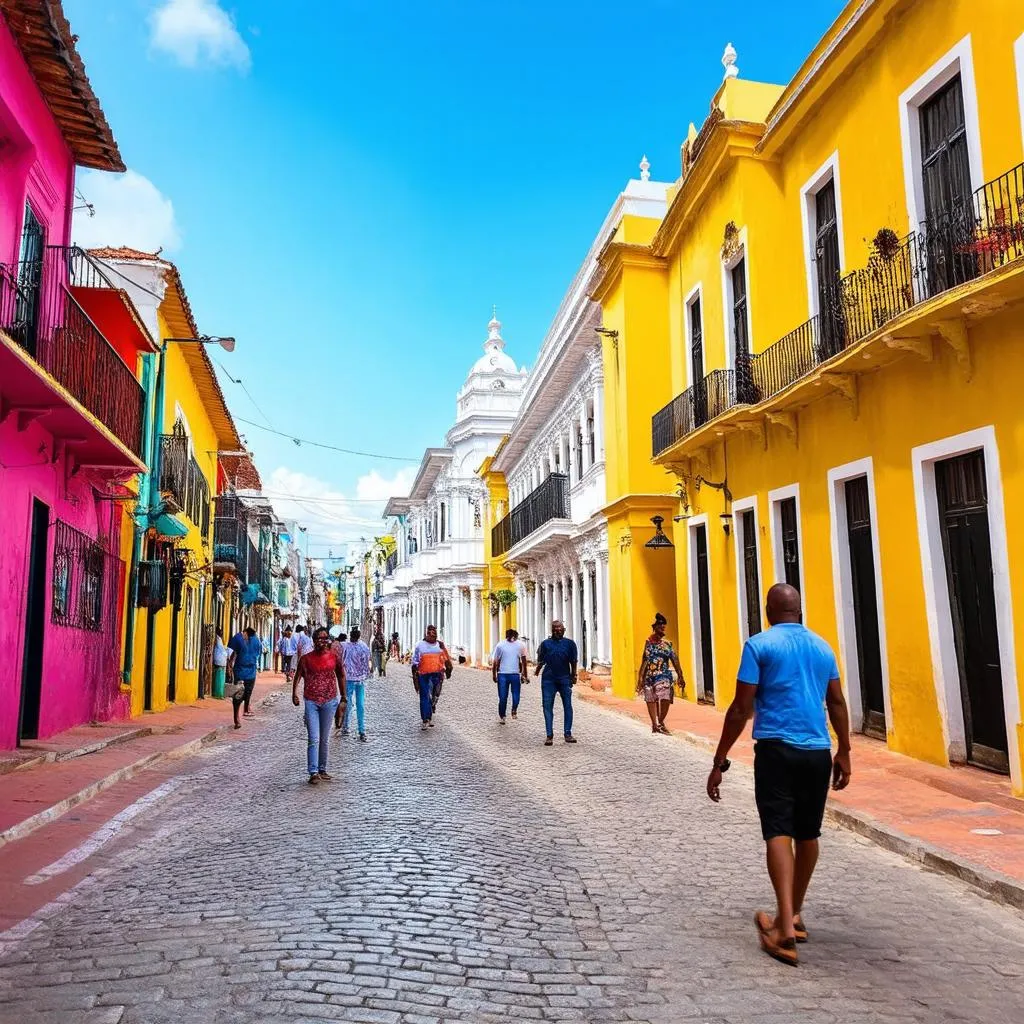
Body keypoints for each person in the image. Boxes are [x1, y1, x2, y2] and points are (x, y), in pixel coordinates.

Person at [706, 583, 852, 967]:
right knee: (808, 833)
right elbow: (836, 702)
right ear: (799, 610)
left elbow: (741, 708)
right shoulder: (822, 647)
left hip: (776, 750)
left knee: (778, 832)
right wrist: (845, 752)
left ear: (768, 610)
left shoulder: (759, 646)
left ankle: (784, 927)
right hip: (817, 751)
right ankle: (794, 915)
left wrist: (719, 760)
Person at [292, 627, 346, 785]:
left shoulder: (334, 658)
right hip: (311, 701)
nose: (323, 641)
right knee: (313, 738)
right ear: (314, 641)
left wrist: (344, 697)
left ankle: (322, 769)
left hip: (330, 701)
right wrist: (294, 693)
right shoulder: (306, 659)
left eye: (325, 638)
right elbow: (298, 676)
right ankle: (313, 771)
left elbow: (341, 675)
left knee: (324, 738)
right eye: (319, 638)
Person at [637, 612, 686, 735]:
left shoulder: (667, 644)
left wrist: (681, 676)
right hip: (650, 676)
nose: (663, 630)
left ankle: (661, 721)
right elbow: (644, 660)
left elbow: (675, 660)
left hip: (663, 675)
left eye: (664, 627)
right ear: (655, 628)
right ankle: (655, 724)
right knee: (651, 699)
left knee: (665, 697)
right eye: (660, 627)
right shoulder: (648, 643)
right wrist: (640, 678)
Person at [535, 620, 578, 746]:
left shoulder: (570, 644)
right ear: (551, 630)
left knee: (568, 705)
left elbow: (573, 661)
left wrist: (574, 675)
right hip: (549, 679)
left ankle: (568, 733)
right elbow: (541, 660)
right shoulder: (545, 644)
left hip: (565, 678)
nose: (557, 630)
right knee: (547, 706)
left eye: (560, 628)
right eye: (555, 629)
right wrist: (537, 670)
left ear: (564, 629)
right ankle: (549, 735)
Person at [411, 625, 452, 730]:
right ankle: (426, 719)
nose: (434, 637)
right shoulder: (420, 645)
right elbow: (415, 662)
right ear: (427, 634)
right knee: (425, 696)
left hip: (437, 675)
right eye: (431, 634)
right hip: (423, 675)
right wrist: (415, 679)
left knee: (434, 696)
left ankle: (429, 715)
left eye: (435, 635)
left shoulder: (440, 645)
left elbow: (447, 659)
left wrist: (448, 670)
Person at [339, 627, 372, 740]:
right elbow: (367, 661)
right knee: (359, 705)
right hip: (357, 679)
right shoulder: (363, 646)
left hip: (351, 679)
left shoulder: (346, 646)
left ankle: (348, 727)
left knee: (352, 703)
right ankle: (360, 729)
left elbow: (341, 660)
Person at [226, 626, 263, 727]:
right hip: (250, 672)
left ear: (245, 632)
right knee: (245, 694)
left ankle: (237, 717)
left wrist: (229, 664)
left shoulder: (239, 638)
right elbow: (258, 654)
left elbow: (230, 653)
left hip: (241, 671)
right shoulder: (257, 641)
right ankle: (242, 712)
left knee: (239, 695)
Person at [491, 628, 528, 724]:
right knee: (503, 697)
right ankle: (502, 715)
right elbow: (495, 661)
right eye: (510, 637)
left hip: (515, 674)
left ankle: (514, 709)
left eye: (513, 637)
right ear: (507, 636)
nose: (512, 639)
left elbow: (524, 661)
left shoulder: (521, 645)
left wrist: (525, 674)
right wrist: (494, 674)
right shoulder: (500, 645)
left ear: (516, 637)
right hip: (502, 674)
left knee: (516, 696)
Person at [212, 630, 229, 699]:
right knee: (219, 678)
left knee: (220, 677)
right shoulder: (218, 639)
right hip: (219, 661)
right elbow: (221, 649)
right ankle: (218, 693)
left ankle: (219, 693)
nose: (222, 634)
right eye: (221, 632)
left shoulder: (219, 639)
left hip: (220, 660)